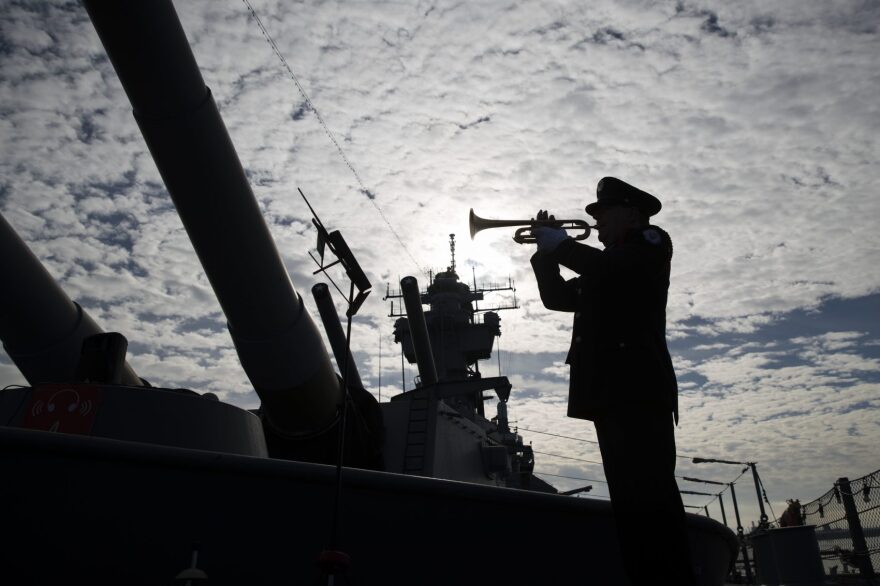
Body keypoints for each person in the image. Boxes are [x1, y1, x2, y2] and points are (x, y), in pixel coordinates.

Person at [530, 176, 694, 585]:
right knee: (630, 506)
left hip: (637, 390)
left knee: (652, 502)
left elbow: (608, 269)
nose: (597, 222)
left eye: (604, 214)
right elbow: (559, 299)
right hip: (609, 393)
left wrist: (561, 244)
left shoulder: (650, 244)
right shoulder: (607, 264)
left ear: (632, 215)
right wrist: (545, 254)